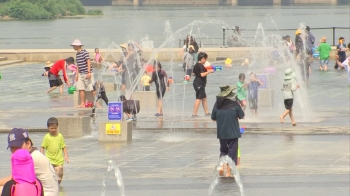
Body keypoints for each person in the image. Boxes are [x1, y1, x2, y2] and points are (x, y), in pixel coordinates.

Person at [0, 128, 59, 196]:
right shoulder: (34, 154)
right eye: (12, 148)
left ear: (28, 144)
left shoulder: (31, 159)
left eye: (18, 147)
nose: (15, 151)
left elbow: (12, 178)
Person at [211, 85, 245, 177]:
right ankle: (228, 173)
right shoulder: (234, 105)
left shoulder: (217, 105)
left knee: (223, 150)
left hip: (222, 132)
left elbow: (213, 117)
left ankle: (221, 167)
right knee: (232, 152)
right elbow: (242, 115)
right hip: (233, 132)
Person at [40, 117, 69, 185]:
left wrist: (66, 156)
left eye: (55, 128)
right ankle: (52, 185)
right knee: (50, 176)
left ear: (57, 127)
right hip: (49, 160)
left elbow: (63, 147)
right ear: (48, 128)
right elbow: (42, 147)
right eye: (51, 128)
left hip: (59, 160)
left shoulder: (60, 136)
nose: (53, 130)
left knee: (60, 175)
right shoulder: (47, 137)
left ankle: (57, 185)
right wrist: (42, 157)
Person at [71, 39, 94, 108]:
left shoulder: (85, 52)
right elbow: (78, 65)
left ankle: (96, 101)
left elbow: (88, 62)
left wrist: (89, 72)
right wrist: (77, 74)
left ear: (77, 46)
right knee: (80, 88)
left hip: (87, 73)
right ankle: (82, 103)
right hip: (81, 74)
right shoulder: (77, 54)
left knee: (92, 89)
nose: (73, 47)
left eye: (74, 46)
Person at [191, 52, 214, 117]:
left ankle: (206, 113)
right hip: (199, 84)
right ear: (202, 59)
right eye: (205, 59)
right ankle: (194, 114)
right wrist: (209, 71)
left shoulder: (196, 65)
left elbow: (193, 73)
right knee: (199, 98)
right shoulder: (201, 65)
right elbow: (202, 74)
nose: (205, 61)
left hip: (197, 83)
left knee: (204, 97)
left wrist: (208, 70)